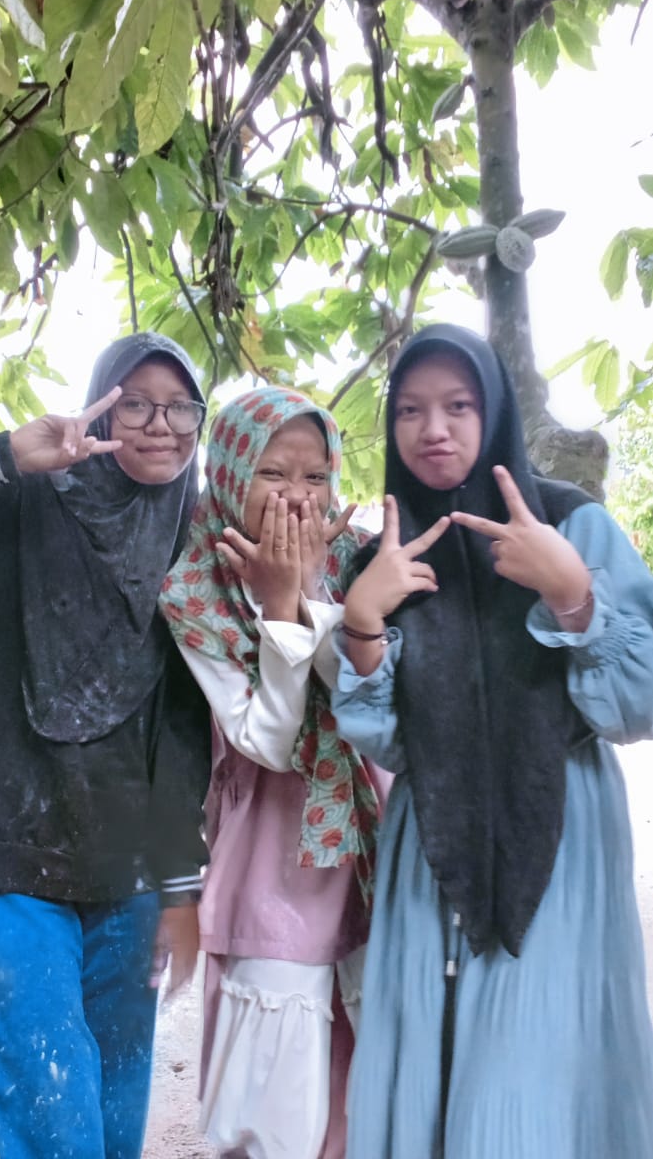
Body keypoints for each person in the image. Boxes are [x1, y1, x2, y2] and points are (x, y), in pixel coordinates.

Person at [330, 322, 653, 1159]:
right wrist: (361, 622)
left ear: (494, 411)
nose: (432, 429)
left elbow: (636, 705)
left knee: (537, 1066)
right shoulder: (384, 555)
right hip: (433, 838)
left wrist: (573, 596)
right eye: (409, 410)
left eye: (458, 405)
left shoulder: (572, 523)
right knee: (431, 1061)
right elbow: (386, 739)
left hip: (563, 831)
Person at [0, 331, 212, 1159]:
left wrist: (179, 885)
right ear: (101, 406)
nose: (159, 424)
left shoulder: (187, 543)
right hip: (6, 862)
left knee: (113, 1127)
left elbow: (183, 723)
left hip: (128, 874)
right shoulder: (17, 503)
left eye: (180, 408)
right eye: (136, 402)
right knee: (50, 1125)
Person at [158, 386, 388, 1159]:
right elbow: (268, 740)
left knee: (376, 1080)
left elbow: (370, 697)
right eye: (272, 473)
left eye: (314, 476)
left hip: (373, 842)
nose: (296, 497)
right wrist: (282, 614)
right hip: (272, 856)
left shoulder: (359, 559)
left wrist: (309, 599)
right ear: (229, 473)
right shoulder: (195, 587)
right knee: (274, 1103)